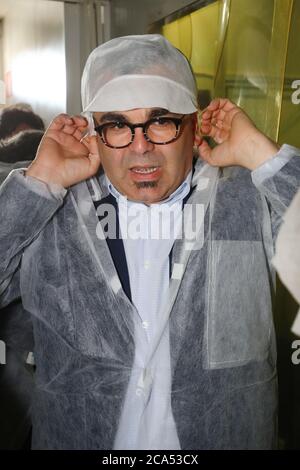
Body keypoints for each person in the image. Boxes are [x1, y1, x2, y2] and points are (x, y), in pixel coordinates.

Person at [0, 34, 300, 450]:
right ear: (95, 130)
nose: (141, 148)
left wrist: (261, 154)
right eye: (118, 124)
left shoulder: (245, 202)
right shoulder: (50, 210)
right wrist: (39, 185)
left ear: (193, 123)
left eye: (161, 121)